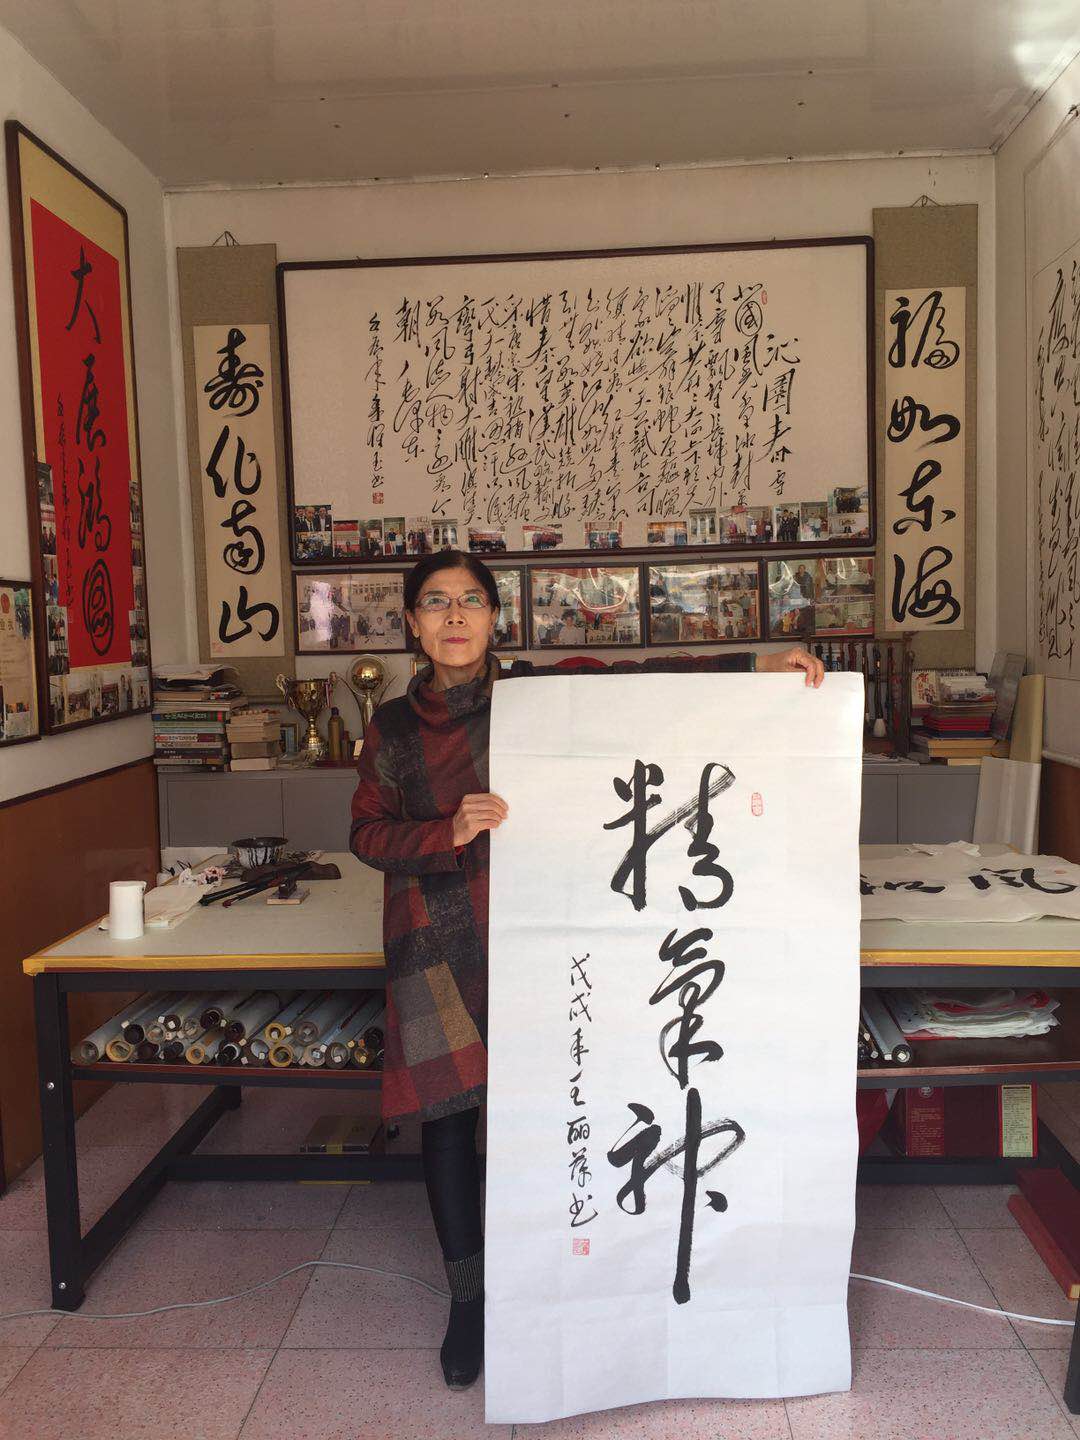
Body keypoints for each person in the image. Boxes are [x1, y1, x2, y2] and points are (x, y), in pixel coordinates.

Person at [348, 551, 824, 1391]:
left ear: (495, 617)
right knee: (449, 1120)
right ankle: (468, 1300)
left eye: (471, 601)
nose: (454, 617)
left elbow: (650, 683)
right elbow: (365, 835)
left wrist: (759, 669)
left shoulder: (542, 697)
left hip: (545, 933)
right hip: (435, 938)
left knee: (554, 1106)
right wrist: (444, 832)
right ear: (413, 624)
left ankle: (557, 1276)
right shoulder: (390, 727)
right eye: (436, 603)